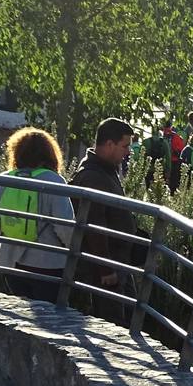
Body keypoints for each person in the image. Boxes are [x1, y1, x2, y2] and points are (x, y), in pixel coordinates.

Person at [0, 127, 75, 303]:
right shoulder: (53, 181)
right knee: (49, 319)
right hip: (48, 263)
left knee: (21, 315)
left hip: (10, 261)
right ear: (50, 154)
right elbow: (66, 228)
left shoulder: (4, 179)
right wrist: (73, 250)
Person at [68, 118, 136, 321]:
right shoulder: (93, 177)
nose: (128, 152)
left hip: (116, 261)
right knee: (113, 321)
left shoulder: (105, 169)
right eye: (124, 146)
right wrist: (106, 270)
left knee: (128, 316)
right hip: (105, 267)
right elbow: (94, 225)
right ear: (109, 144)